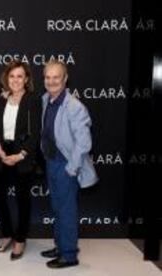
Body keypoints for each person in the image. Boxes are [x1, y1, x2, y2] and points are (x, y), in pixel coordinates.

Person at [40, 60, 98, 268]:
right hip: (51, 162)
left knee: (66, 211)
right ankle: (60, 246)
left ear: (65, 79)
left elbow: (84, 143)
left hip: (66, 165)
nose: (51, 81)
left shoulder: (75, 106)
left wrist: (71, 168)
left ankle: (69, 255)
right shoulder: (46, 99)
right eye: (47, 77)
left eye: (56, 77)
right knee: (57, 207)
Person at [0, 60, 41, 260]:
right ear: (7, 78)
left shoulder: (33, 99)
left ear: (26, 79)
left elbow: (35, 133)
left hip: (23, 154)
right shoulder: (2, 98)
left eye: (20, 76)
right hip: (3, 152)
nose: (15, 80)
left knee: (22, 199)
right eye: (12, 76)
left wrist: (20, 155)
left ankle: (20, 240)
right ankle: (6, 234)